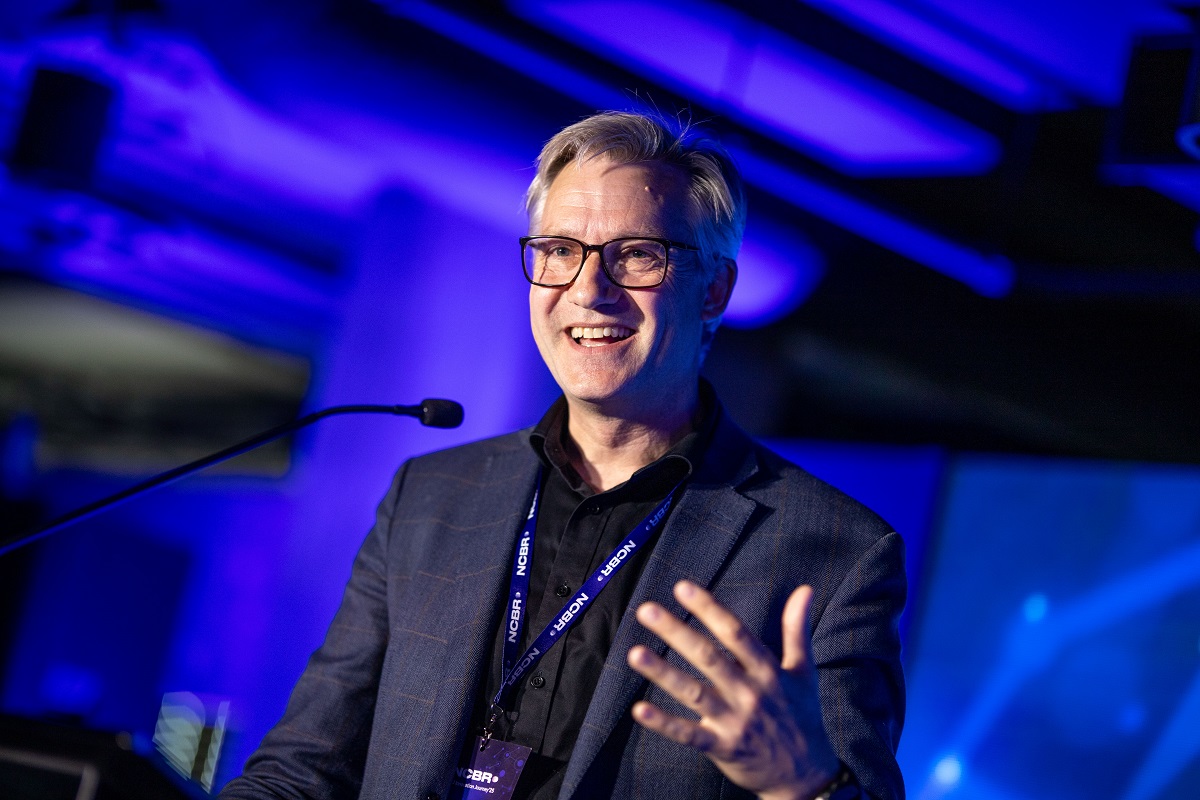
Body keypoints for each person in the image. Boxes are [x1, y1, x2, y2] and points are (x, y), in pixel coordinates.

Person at [219, 111, 905, 800]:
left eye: (637, 254)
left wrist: (805, 785)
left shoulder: (835, 551)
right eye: (558, 250)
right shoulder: (428, 496)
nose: (587, 289)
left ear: (715, 291)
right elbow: (301, 771)